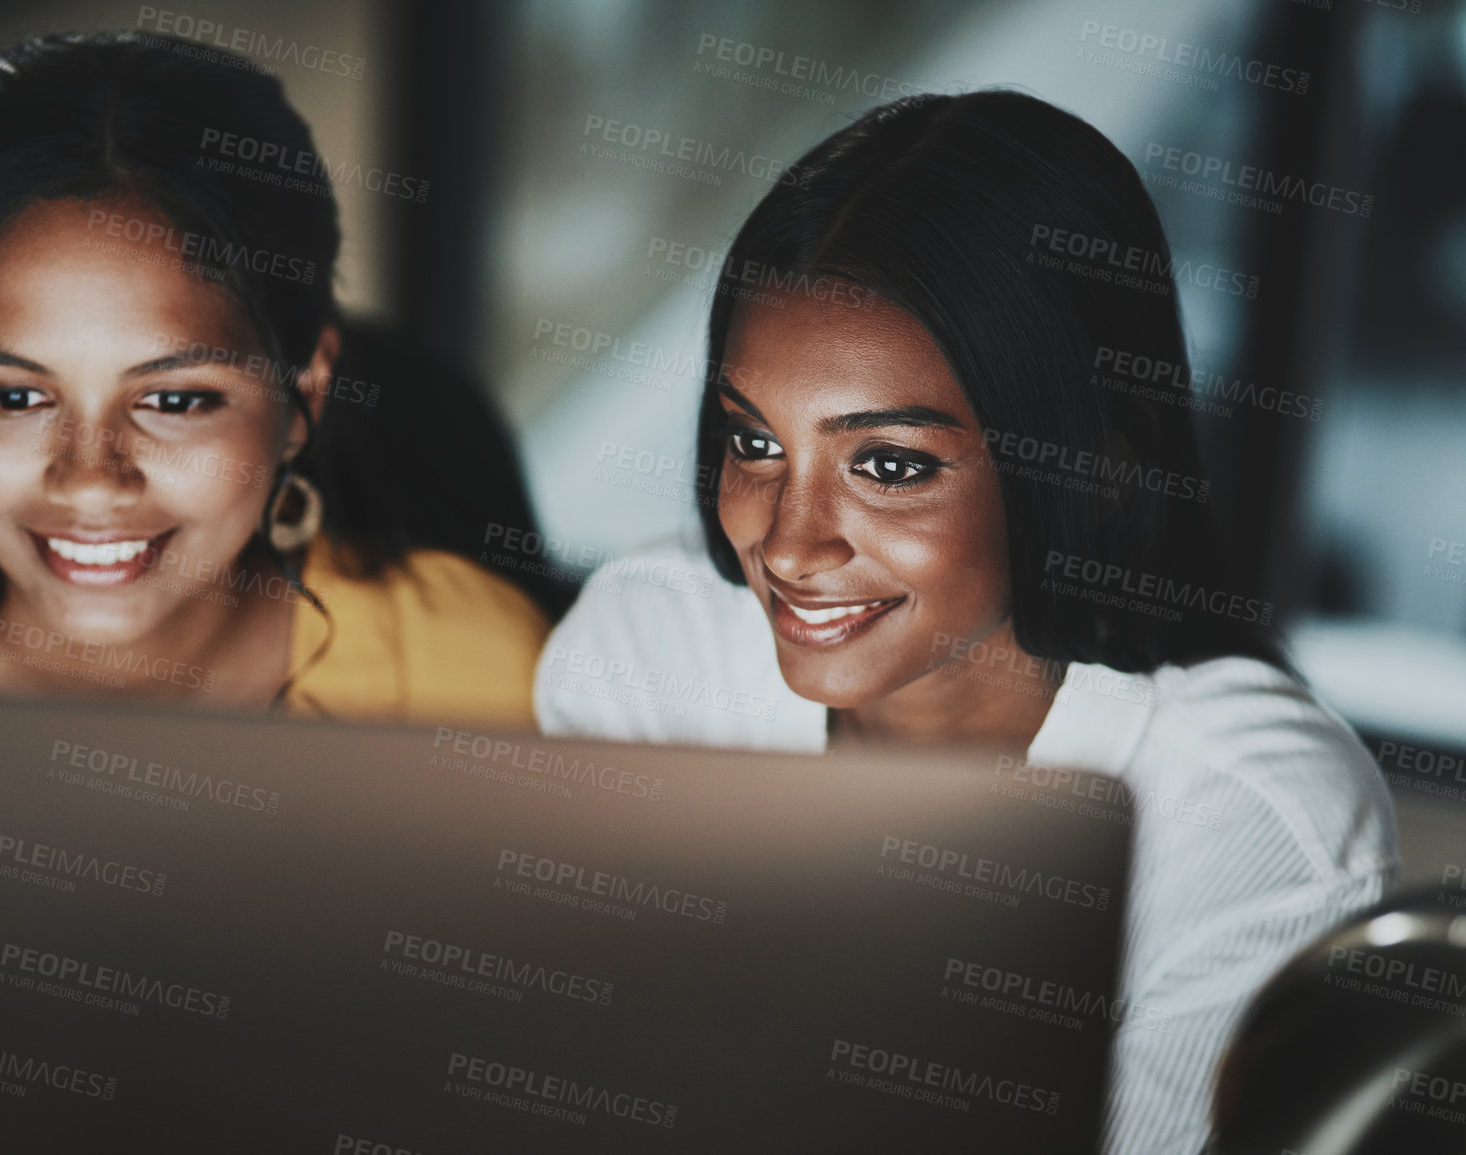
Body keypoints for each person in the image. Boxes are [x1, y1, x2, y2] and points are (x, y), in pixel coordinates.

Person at [535, 91, 1399, 1154]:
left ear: (1098, 461)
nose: (791, 544)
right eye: (754, 444)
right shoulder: (650, 647)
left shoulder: (1243, 812)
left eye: (889, 467)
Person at [0, 31, 549, 727]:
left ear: (302, 397)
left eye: (175, 399)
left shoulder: (471, 684)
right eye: (14, 397)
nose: (91, 480)